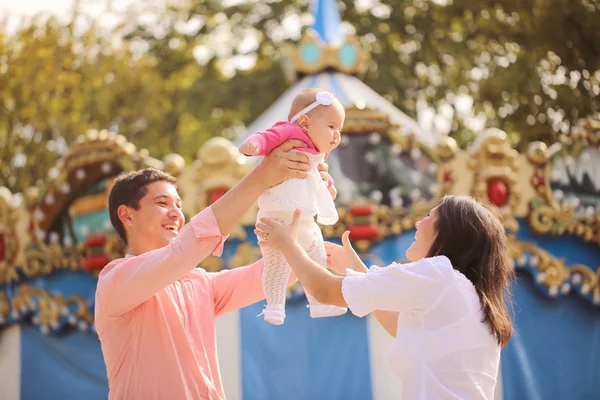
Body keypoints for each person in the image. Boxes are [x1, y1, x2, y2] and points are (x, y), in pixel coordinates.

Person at [94, 140, 334, 400]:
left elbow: (272, 273)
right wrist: (261, 178)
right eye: (163, 203)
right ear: (127, 216)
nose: (177, 213)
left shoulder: (199, 282)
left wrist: (306, 196)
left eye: (178, 204)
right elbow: (187, 248)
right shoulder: (114, 280)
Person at [255, 195, 514, 399]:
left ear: (447, 234)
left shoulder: (439, 274)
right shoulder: (466, 294)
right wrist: (355, 269)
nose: (417, 222)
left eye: (428, 216)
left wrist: (286, 242)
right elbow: (396, 324)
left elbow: (323, 290)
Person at [238, 88, 346, 325]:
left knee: (317, 259)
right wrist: (253, 145)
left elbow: (320, 179)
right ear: (305, 122)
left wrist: (329, 188)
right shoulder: (289, 133)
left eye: (339, 130)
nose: (337, 135)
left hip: (306, 220)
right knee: (277, 264)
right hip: (276, 217)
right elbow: (266, 137)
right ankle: (274, 305)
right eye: (331, 127)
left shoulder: (319, 155)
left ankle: (320, 303)